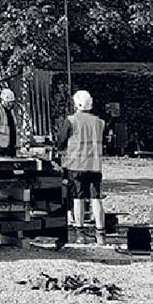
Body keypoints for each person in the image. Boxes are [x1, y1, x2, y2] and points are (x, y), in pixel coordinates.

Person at [53, 89, 107, 245]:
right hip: (95, 166)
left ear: (76, 103)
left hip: (76, 165)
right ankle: (100, 234)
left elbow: (61, 141)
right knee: (96, 199)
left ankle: (80, 234)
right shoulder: (99, 122)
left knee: (78, 199)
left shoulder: (71, 120)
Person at [0, 88, 20, 157]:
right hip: (0, 145)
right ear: (3, 100)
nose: (10, 104)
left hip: (10, 145)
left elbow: (13, 128)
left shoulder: (10, 111)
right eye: (9, 102)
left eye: (11, 102)